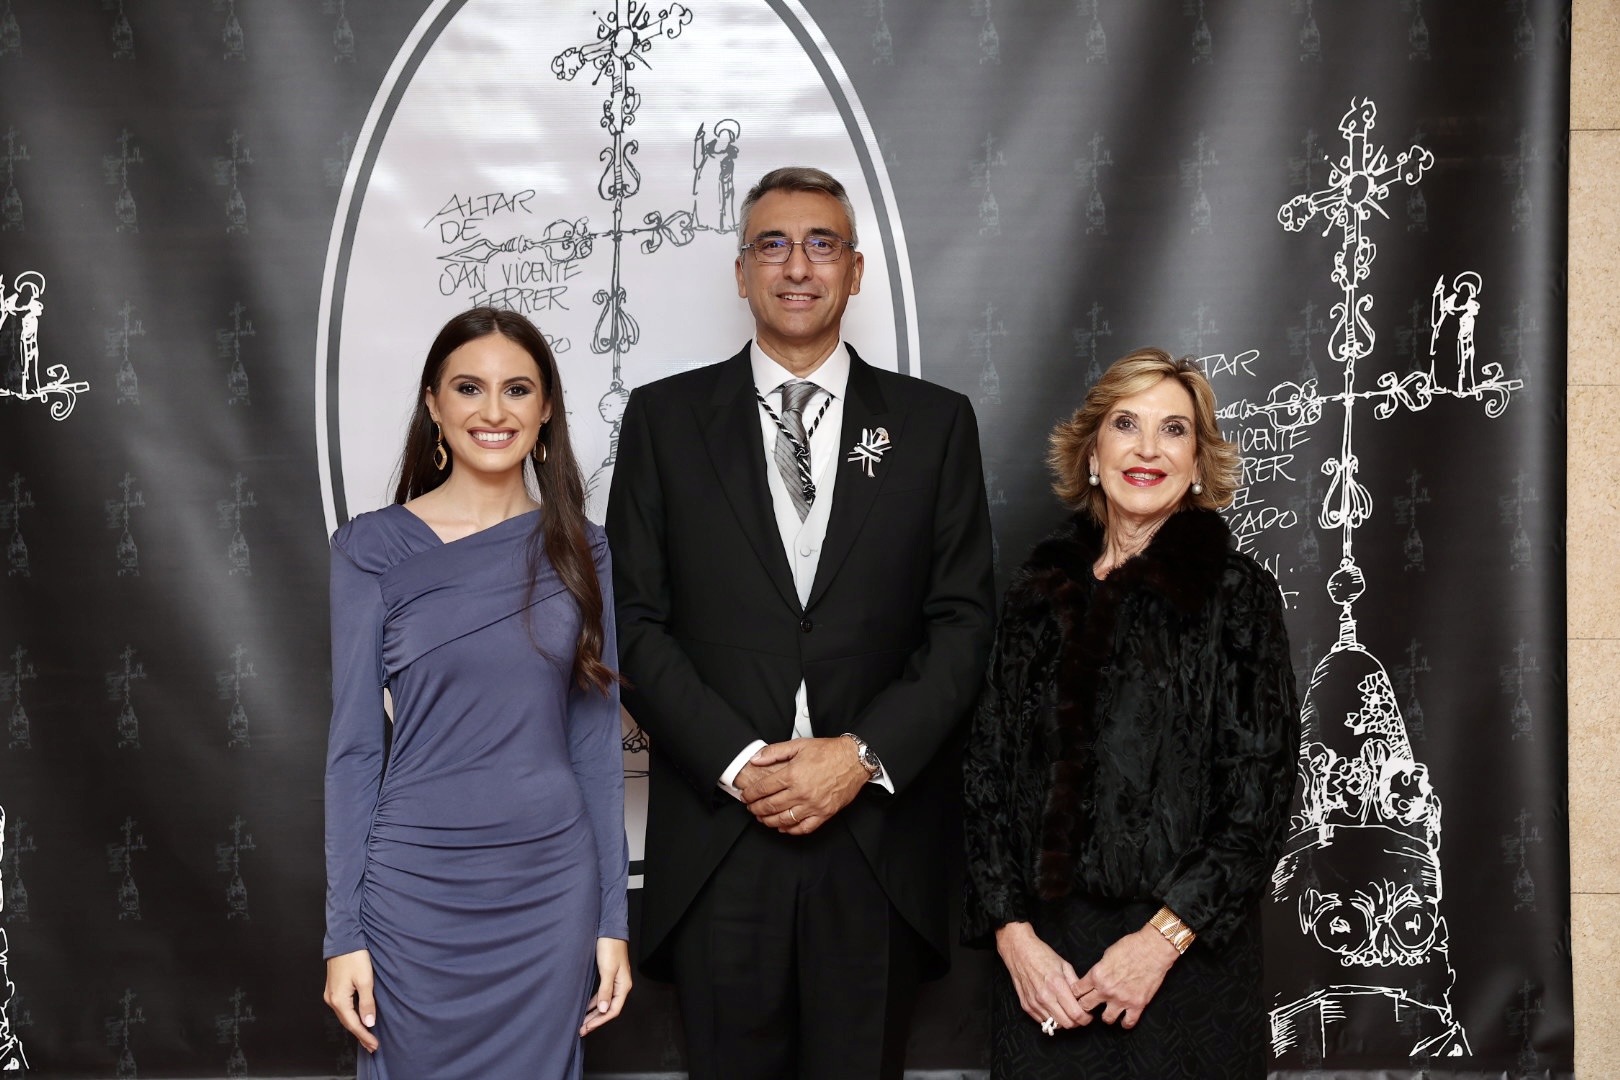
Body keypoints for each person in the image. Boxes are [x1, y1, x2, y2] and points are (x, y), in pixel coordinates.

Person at [605, 166, 995, 1080]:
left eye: (822, 243)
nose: (797, 265)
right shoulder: (663, 420)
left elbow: (964, 624)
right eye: (772, 244)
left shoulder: (936, 426)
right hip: (720, 840)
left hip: (873, 847)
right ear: (741, 273)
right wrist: (742, 765)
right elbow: (631, 617)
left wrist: (857, 756)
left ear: (855, 271)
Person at [962, 348, 1299, 1078]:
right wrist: (1012, 935)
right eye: (1126, 424)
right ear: (1092, 452)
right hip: (1043, 972)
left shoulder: (1238, 597)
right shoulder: (1036, 591)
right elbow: (984, 775)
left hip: (1184, 968)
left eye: (1173, 430)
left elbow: (1260, 802)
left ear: (1199, 463)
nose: (1148, 449)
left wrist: (1160, 943)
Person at [322, 307, 631, 1079]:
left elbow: (595, 747)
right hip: (412, 891)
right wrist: (342, 933)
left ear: (547, 406)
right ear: (433, 403)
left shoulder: (584, 549)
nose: (494, 412)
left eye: (517, 389)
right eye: (469, 387)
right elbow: (355, 751)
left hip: (549, 890)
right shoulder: (370, 549)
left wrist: (611, 922)